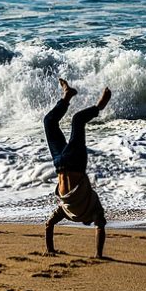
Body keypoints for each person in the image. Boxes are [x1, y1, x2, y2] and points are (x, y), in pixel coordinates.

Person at [43, 78, 111, 258]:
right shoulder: (93, 206)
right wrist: (98, 254)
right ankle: (99, 107)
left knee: (49, 121)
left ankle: (67, 95)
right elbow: (100, 226)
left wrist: (50, 250)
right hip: (76, 162)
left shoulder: (65, 210)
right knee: (77, 120)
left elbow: (49, 224)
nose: (93, 221)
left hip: (59, 162)